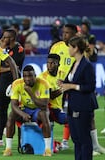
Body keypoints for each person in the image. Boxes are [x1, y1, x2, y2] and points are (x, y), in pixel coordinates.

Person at [50, 24, 105, 155]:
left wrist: (71, 86)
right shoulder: (57, 47)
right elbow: (50, 63)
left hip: (78, 95)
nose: (64, 35)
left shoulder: (82, 58)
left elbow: (90, 80)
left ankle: (94, 145)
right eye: (63, 32)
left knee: (85, 120)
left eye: (67, 33)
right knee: (63, 114)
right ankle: (63, 141)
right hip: (63, 87)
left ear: (75, 34)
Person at [58, 36, 98, 160]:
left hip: (83, 106)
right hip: (72, 105)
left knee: (84, 139)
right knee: (76, 139)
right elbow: (70, 81)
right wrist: (62, 83)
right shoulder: (75, 63)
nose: (68, 50)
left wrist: (71, 86)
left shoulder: (87, 65)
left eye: (70, 47)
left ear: (75, 48)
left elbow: (90, 87)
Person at [3, 65, 52, 156]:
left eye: (30, 76)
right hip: (25, 109)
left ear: (35, 75)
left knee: (44, 114)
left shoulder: (43, 84)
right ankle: (8, 149)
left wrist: (30, 92)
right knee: (11, 115)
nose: (27, 79)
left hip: (38, 110)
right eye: (25, 76)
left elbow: (44, 105)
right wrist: (22, 114)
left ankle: (47, 149)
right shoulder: (17, 84)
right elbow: (13, 105)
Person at [0, 29, 25, 146]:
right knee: (2, 110)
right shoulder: (1, 49)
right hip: (2, 83)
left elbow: (15, 67)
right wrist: (7, 67)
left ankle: (22, 139)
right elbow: (0, 65)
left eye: (5, 37)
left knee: (17, 111)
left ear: (12, 38)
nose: (2, 39)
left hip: (14, 83)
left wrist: (5, 68)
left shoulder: (19, 49)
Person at [38, 54, 67, 152]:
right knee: (69, 119)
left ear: (58, 64)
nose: (49, 65)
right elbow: (50, 96)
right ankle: (53, 144)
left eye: (52, 63)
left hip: (57, 108)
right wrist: (63, 88)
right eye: (48, 63)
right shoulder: (43, 77)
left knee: (73, 118)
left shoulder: (63, 74)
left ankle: (63, 142)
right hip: (47, 108)